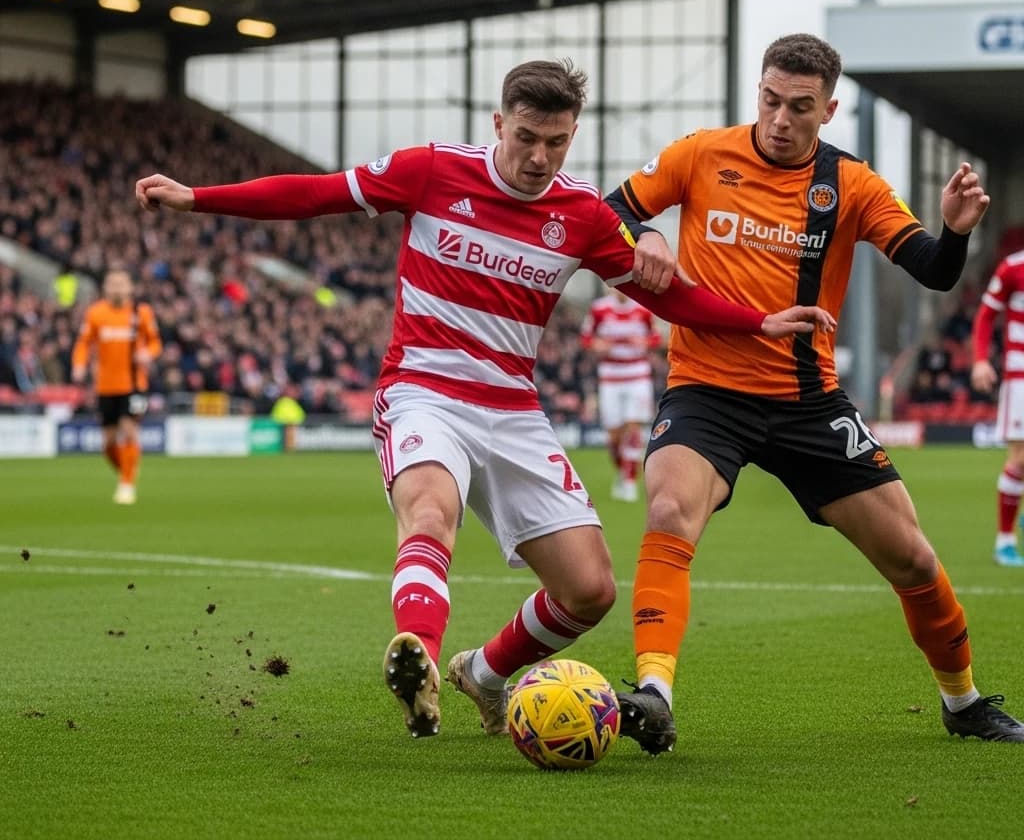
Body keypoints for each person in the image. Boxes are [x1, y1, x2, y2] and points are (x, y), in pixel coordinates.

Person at [134, 58, 835, 740]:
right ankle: (420, 657)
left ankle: (483, 673)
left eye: (556, 142)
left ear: (573, 135)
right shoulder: (432, 171)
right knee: (430, 514)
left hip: (513, 410)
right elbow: (314, 193)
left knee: (590, 590)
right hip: (423, 391)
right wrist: (200, 197)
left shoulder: (583, 214)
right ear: (499, 124)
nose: (539, 157)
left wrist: (759, 321)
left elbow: (669, 296)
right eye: (526, 137)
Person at [603, 33, 1024, 750]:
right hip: (706, 390)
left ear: (827, 110)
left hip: (809, 402)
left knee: (913, 558)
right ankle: (654, 693)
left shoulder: (851, 184)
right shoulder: (700, 154)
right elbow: (610, 208)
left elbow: (933, 269)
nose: (779, 119)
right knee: (669, 509)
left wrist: (954, 233)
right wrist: (647, 234)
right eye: (770, 100)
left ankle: (963, 702)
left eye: (799, 107)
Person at [71, 268, 162, 505]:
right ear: (105, 288)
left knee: (129, 429)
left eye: (121, 283)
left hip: (134, 385)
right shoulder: (96, 313)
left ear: (130, 288)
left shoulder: (141, 312)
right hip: (105, 386)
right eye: (112, 283)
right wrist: (79, 364)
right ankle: (127, 471)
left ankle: (127, 484)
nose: (117, 288)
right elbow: (83, 343)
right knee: (108, 443)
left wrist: (147, 353)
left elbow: (155, 342)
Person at [580, 287, 662, 501]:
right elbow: (586, 339)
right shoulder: (599, 309)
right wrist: (598, 345)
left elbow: (656, 338)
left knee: (633, 427)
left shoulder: (643, 309)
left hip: (637, 374)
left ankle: (630, 481)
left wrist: (644, 343)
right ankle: (622, 470)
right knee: (614, 436)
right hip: (610, 375)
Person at [970, 247, 1024, 567]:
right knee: (1020, 458)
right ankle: (1004, 543)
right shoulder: (1012, 268)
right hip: (1020, 377)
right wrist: (980, 361)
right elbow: (986, 315)